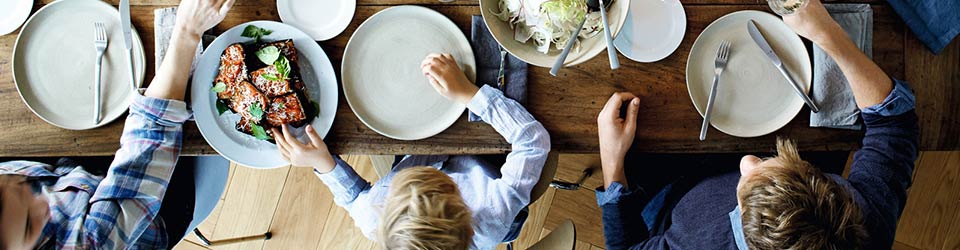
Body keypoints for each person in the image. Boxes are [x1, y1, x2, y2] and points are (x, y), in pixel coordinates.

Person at [594, 0, 918, 248]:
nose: (747, 160)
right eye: (778, 166)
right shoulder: (859, 221)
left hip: (670, 191)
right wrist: (827, 33)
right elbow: (895, 123)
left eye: (745, 195)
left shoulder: (695, 243)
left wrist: (612, 159)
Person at [0, 0, 234, 248]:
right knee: (216, 119)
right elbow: (149, 143)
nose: (40, 200)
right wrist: (187, 31)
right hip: (163, 202)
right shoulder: (87, 244)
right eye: (29, 226)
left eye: (13, 184)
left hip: (79, 172)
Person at [273, 53, 551, 249]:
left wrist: (323, 164)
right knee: (509, 225)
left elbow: (355, 198)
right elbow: (533, 141)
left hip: (418, 152)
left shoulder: (375, 218)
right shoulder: (492, 212)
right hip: (492, 172)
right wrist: (469, 93)